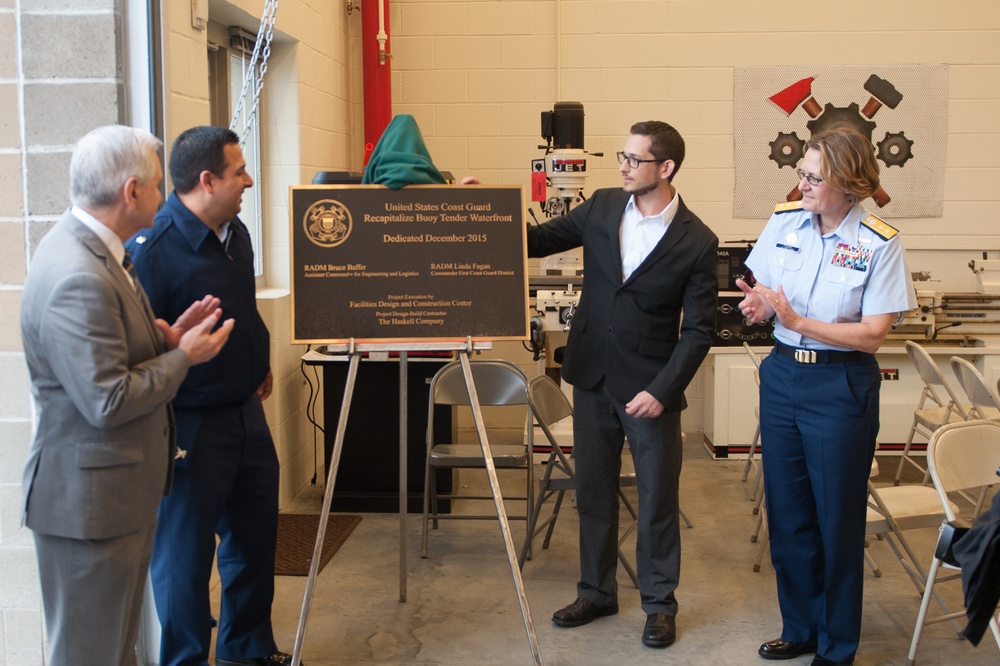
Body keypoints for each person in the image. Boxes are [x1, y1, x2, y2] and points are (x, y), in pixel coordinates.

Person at [20, 125, 234, 666]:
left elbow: (110, 350)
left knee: (115, 649)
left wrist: (162, 337)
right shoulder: (78, 274)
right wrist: (183, 356)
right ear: (131, 191)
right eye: (160, 186)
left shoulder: (99, 252)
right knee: (88, 653)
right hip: (88, 508)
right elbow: (107, 399)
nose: (166, 197)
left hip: (115, 496)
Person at [527, 121, 719, 648]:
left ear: (667, 168)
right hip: (591, 377)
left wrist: (662, 390)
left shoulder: (698, 240)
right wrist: (485, 210)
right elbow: (537, 240)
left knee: (657, 498)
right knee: (593, 492)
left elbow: (700, 330)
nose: (624, 166)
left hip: (650, 391)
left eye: (635, 159)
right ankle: (596, 591)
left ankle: (659, 604)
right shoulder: (603, 205)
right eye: (623, 155)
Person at [736, 128, 916, 666]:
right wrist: (764, 308)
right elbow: (767, 290)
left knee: (836, 519)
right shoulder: (785, 221)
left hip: (840, 385)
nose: (802, 185)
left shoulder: (878, 242)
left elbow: (873, 335)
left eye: (814, 177)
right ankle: (801, 628)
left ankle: (837, 648)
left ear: (849, 182)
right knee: (788, 514)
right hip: (784, 377)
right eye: (801, 175)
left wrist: (797, 320)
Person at [126, 126, 290, 666]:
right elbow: (137, 352)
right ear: (206, 180)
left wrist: (257, 360)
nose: (248, 179)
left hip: (246, 416)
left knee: (253, 547)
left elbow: (242, 307)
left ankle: (248, 653)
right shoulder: (150, 252)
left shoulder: (234, 232)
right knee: (184, 563)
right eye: (238, 171)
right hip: (187, 428)